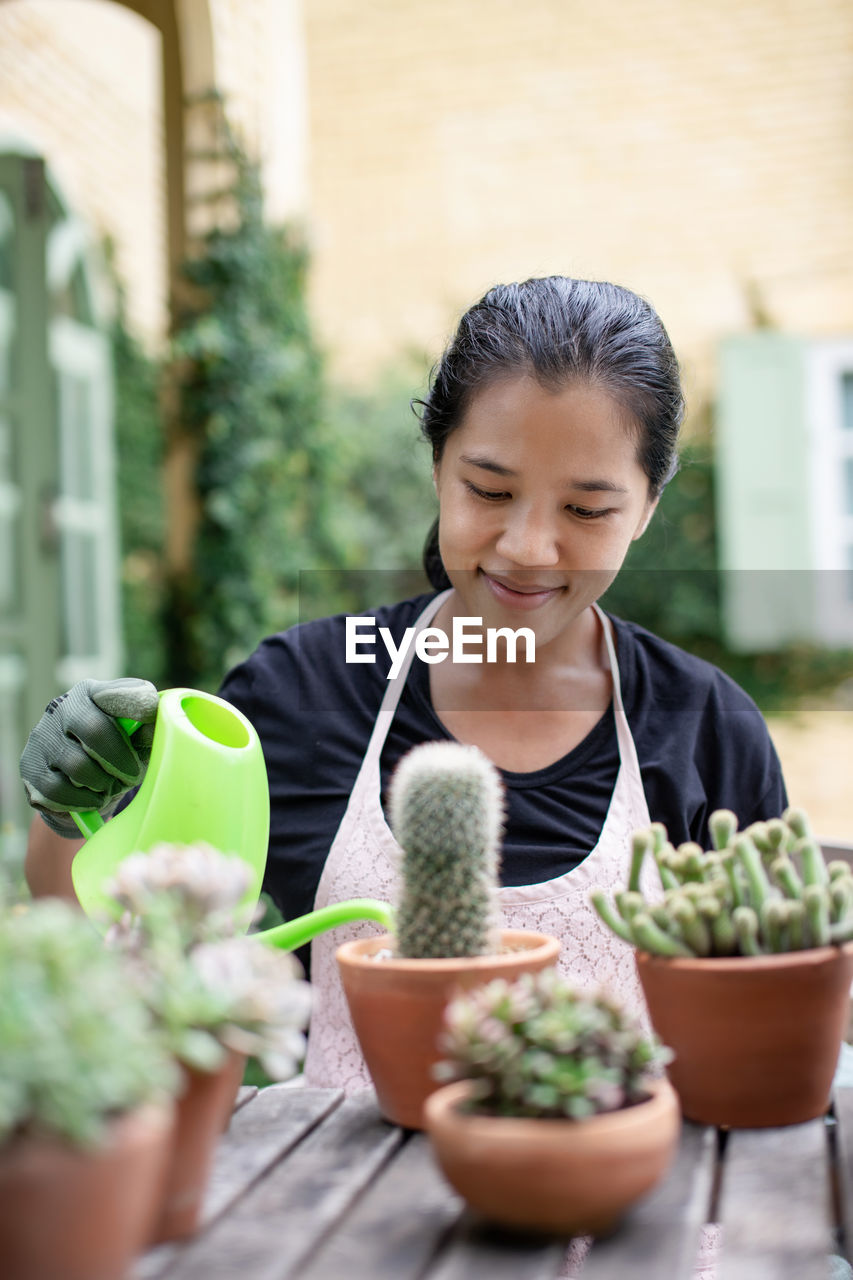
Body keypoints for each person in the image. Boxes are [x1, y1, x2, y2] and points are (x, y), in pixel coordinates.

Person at [21, 275, 787, 1093]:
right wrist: (78, 798)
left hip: (613, 1205)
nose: (528, 546)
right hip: (328, 1211)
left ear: (645, 507)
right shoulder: (305, 688)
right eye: (489, 491)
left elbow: (771, 1030)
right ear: (436, 467)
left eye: (587, 510)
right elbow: (104, 937)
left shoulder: (704, 723)